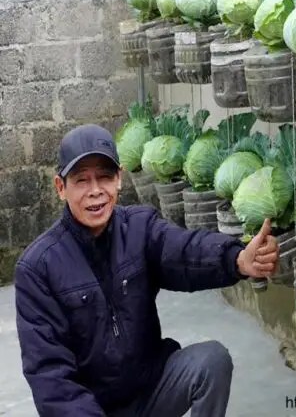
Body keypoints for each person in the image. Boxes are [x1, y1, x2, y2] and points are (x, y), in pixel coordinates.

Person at [14, 123, 279, 417]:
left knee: (211, 362)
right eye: (81, 181)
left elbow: (183, 250)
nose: (96, 191)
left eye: (104, 177)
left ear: (119, 179)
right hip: (96, 409)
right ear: (60, 187)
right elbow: (51, 376)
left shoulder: (140, 227)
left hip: (151, 392)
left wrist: (237, 260)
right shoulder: (38, 267)